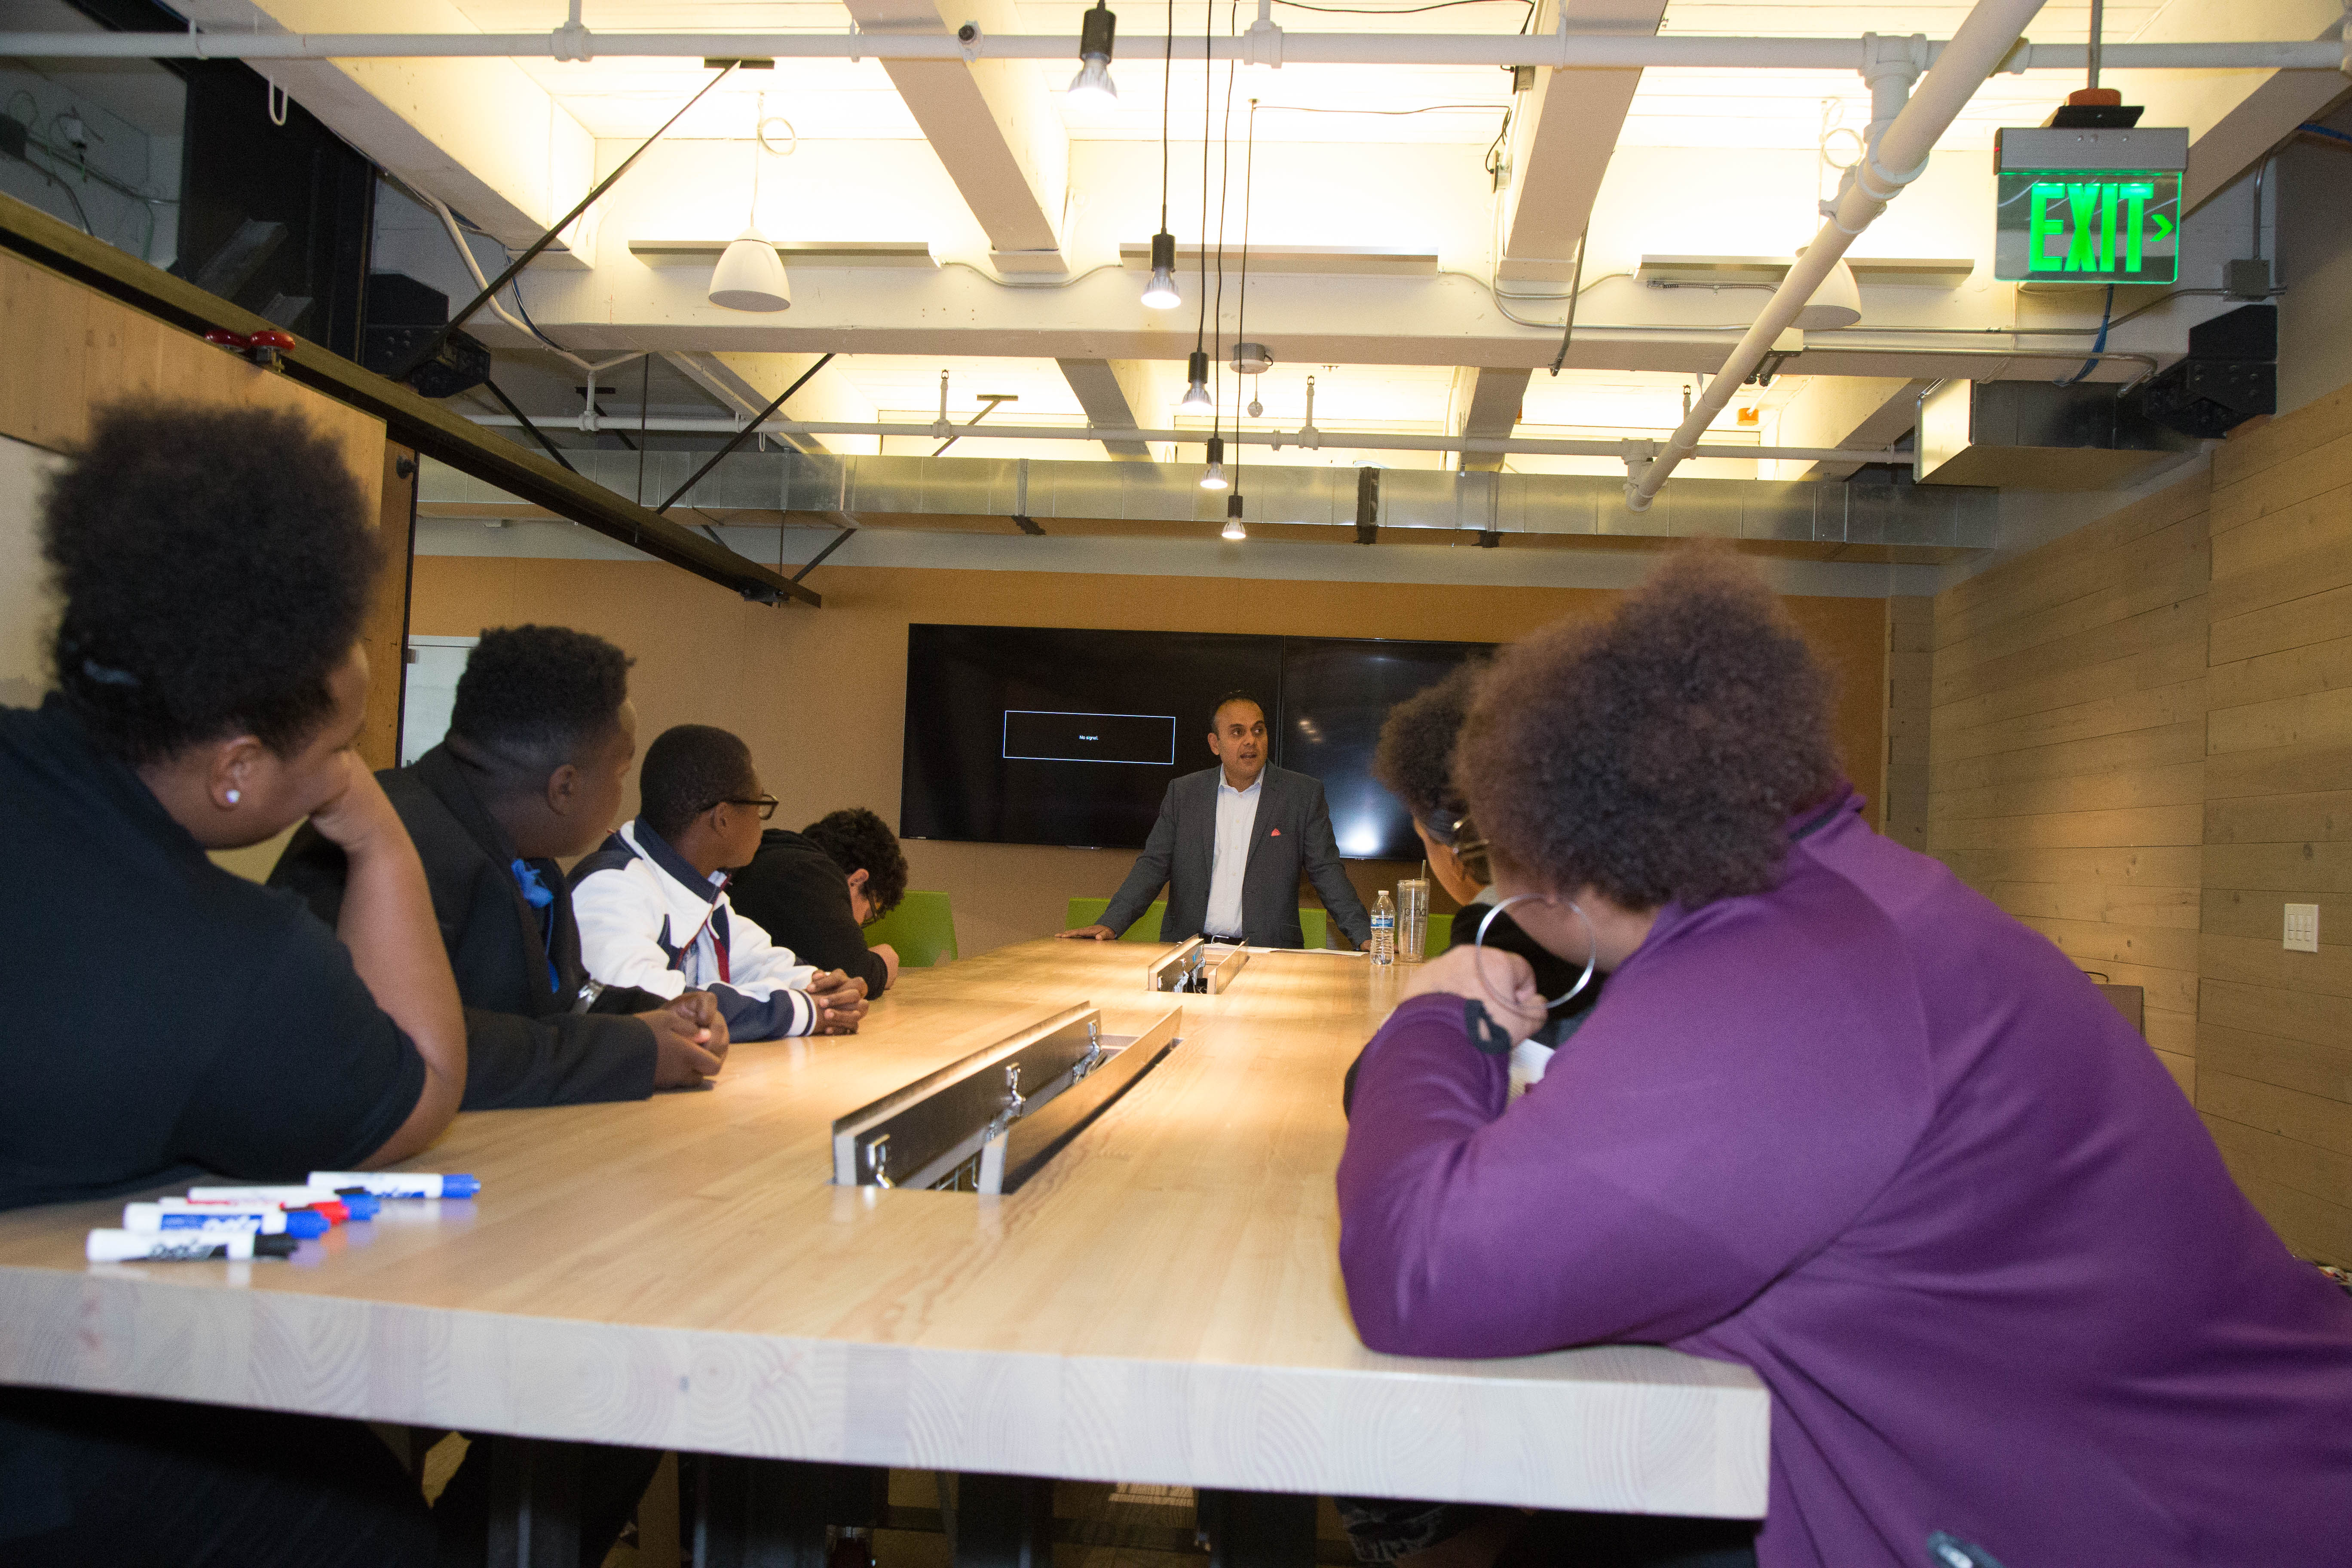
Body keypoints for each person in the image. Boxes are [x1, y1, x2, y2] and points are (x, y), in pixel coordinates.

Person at [1338, 553, 2352, 1568]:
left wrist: (1437, 1025)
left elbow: (1419, 1272)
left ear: (1557, 867)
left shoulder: (1784, 973)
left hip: (2192, 1521)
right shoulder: (1830, 896)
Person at [0, 403, 466, 1564]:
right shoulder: (228, 956)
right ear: (238, 772)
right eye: (336, 752)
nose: (345, 771)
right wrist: (378, 839)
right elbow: (419, 1091)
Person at [272, 625, 729, 1105]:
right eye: (619, 775)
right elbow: (419, 1044)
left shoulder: (525, 856)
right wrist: (634, 1051)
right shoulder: (394, 842)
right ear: (565, 788)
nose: (622, 796)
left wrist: (663, 1017)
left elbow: (551, 1005)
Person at [571, 724, 869, 1039]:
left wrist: (829, 991)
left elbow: (760, 962)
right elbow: (647, 1004)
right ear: (723, 818)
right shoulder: (612, 887)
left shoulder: (702, 890)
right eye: (760, 805)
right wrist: (803, 1012)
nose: (761, 821)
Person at [1061, 691, 1372, 950]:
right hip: (1189, 953)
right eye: (1238, 732)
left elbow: (1327, 871)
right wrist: (1110, 923)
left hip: (1270, 954)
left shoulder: (1301, 795)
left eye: (1258, 730)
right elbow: (1153, 866)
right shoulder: (1184, 793)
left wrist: (1366, 937)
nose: (1251, 740)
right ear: (1215, 743)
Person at [727, 806, 909, 997]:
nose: (860, 923)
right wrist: (883, 965)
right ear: (857, 880)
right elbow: (855, 974)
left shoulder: (773, 856)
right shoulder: (814, 873)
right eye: (870, 911)